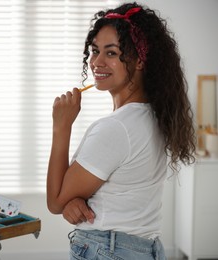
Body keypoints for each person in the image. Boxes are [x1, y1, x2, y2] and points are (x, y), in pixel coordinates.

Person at [46, 2, 195, 259]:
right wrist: (75, 200)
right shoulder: (152, 117)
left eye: (112, 53)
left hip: (108, 249)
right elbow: (121, 190)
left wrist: (61, 126)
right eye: (94, 51)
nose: (97, 62)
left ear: (139, 60)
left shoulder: (116, 128)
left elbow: (55, 202)